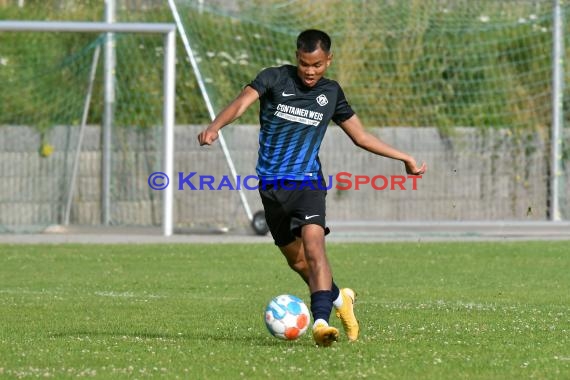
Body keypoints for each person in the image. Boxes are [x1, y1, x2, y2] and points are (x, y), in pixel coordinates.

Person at [198, 29, 427, 347]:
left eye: (317, 65)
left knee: (315, 247)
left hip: (307, 182)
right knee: (298, 262)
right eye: (305, 64)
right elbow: (240, 104)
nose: (310, 71)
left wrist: (404, 157)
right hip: (271, 186)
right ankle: (339, 299)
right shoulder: (274, 79)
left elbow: (360, 136)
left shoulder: (331, 93)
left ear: (328, 60)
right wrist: (215, 126)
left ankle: (321, 323)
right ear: (297, 57)